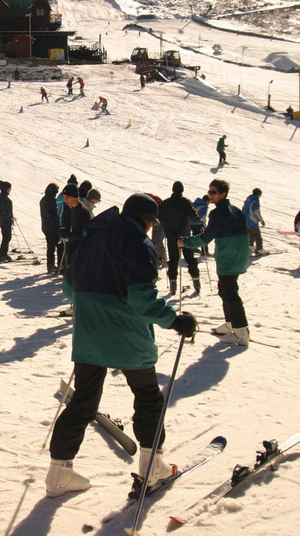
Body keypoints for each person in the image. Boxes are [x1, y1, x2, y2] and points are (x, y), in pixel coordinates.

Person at [45, 193, 197, 498]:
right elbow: (141, 298)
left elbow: (68, 283)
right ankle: (152, 466)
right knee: (147, 397)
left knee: (84, 400)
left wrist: (89, 306)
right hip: (126, 333)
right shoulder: (139, 244)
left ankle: (58, 474)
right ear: (146, 220)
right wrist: (174, 320)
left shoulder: (93, 236)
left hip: (89, 330)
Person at [179, 179, 250, 345]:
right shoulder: (236, 210)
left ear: (222, 194)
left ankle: (241, 332)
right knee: (225, 290)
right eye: (209, 192)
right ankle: (231, 323)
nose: (209, 195)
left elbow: (206, 238)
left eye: (213, 192)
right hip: (238, 256)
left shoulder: (217, 213)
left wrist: (186, 242)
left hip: (228, 257)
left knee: (230, 293)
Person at [159, 181, 201, 294]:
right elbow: (193, 215)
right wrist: (198, 221)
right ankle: (196, 280)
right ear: (182, 190)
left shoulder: (166, 203)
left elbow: (159, 217)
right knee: (190, 258)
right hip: (185, 235)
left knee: (173, 260)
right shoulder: (185, 201)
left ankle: (173, 283)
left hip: (171, 235)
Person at [40, 182, 61, 274]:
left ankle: (50, 265)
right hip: (53, 227)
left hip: (45, 226)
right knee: (60, 246)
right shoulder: (52, 201)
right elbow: (56, 214)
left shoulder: (43, 199)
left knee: (50, 247)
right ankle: (60, 265)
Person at [242, 188, 267, 255]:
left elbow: (244, 208)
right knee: (257, 235)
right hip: (252, 220)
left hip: (246, 219)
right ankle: (259, 249)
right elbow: (256, 211)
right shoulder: (255, 200)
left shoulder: (248, 199)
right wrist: (261, 220)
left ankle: (250, 245)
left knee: (250, 233)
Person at [0, 181, 14, 263]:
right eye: (10, 188)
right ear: (7, 188)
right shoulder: (4, 197)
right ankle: (3, 254)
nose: (10, 190)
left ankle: (3, 254)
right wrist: (10, 216)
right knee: (7, 237)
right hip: (5, 220)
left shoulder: (1, 196)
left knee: (6, 237)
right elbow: (4, 209)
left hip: (2, 219)